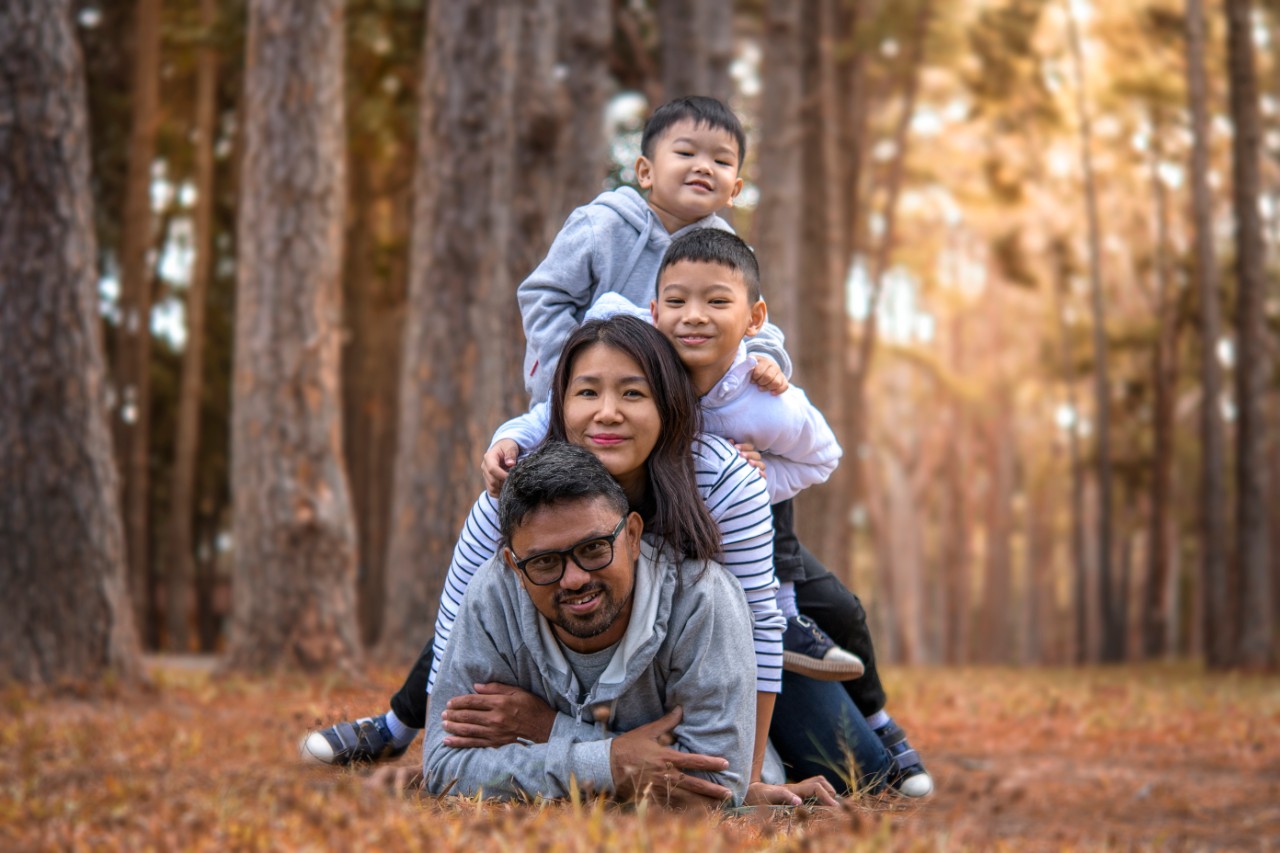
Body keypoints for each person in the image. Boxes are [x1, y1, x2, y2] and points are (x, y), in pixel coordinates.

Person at [307, 315, 891, 801]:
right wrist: (438, 748)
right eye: (587, 392)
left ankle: (839, 747)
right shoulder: (514, 495)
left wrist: (746, 782)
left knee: (854, 768)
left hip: (742, 664)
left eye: (632, 393)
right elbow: (455, 628)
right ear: (559, 407)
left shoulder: (721, 482)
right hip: (612, 682)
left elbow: (759, 627)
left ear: (669, 406)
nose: (606, 413)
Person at [422, 441, 758, 807]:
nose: (574, 579)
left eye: (594, 548)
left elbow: (714, 788)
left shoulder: (701, 599)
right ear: (515, 568)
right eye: (545, 561)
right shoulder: (493, 597)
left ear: (631, 535)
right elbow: (444, 765)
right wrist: (606, 765)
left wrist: (547, 729)